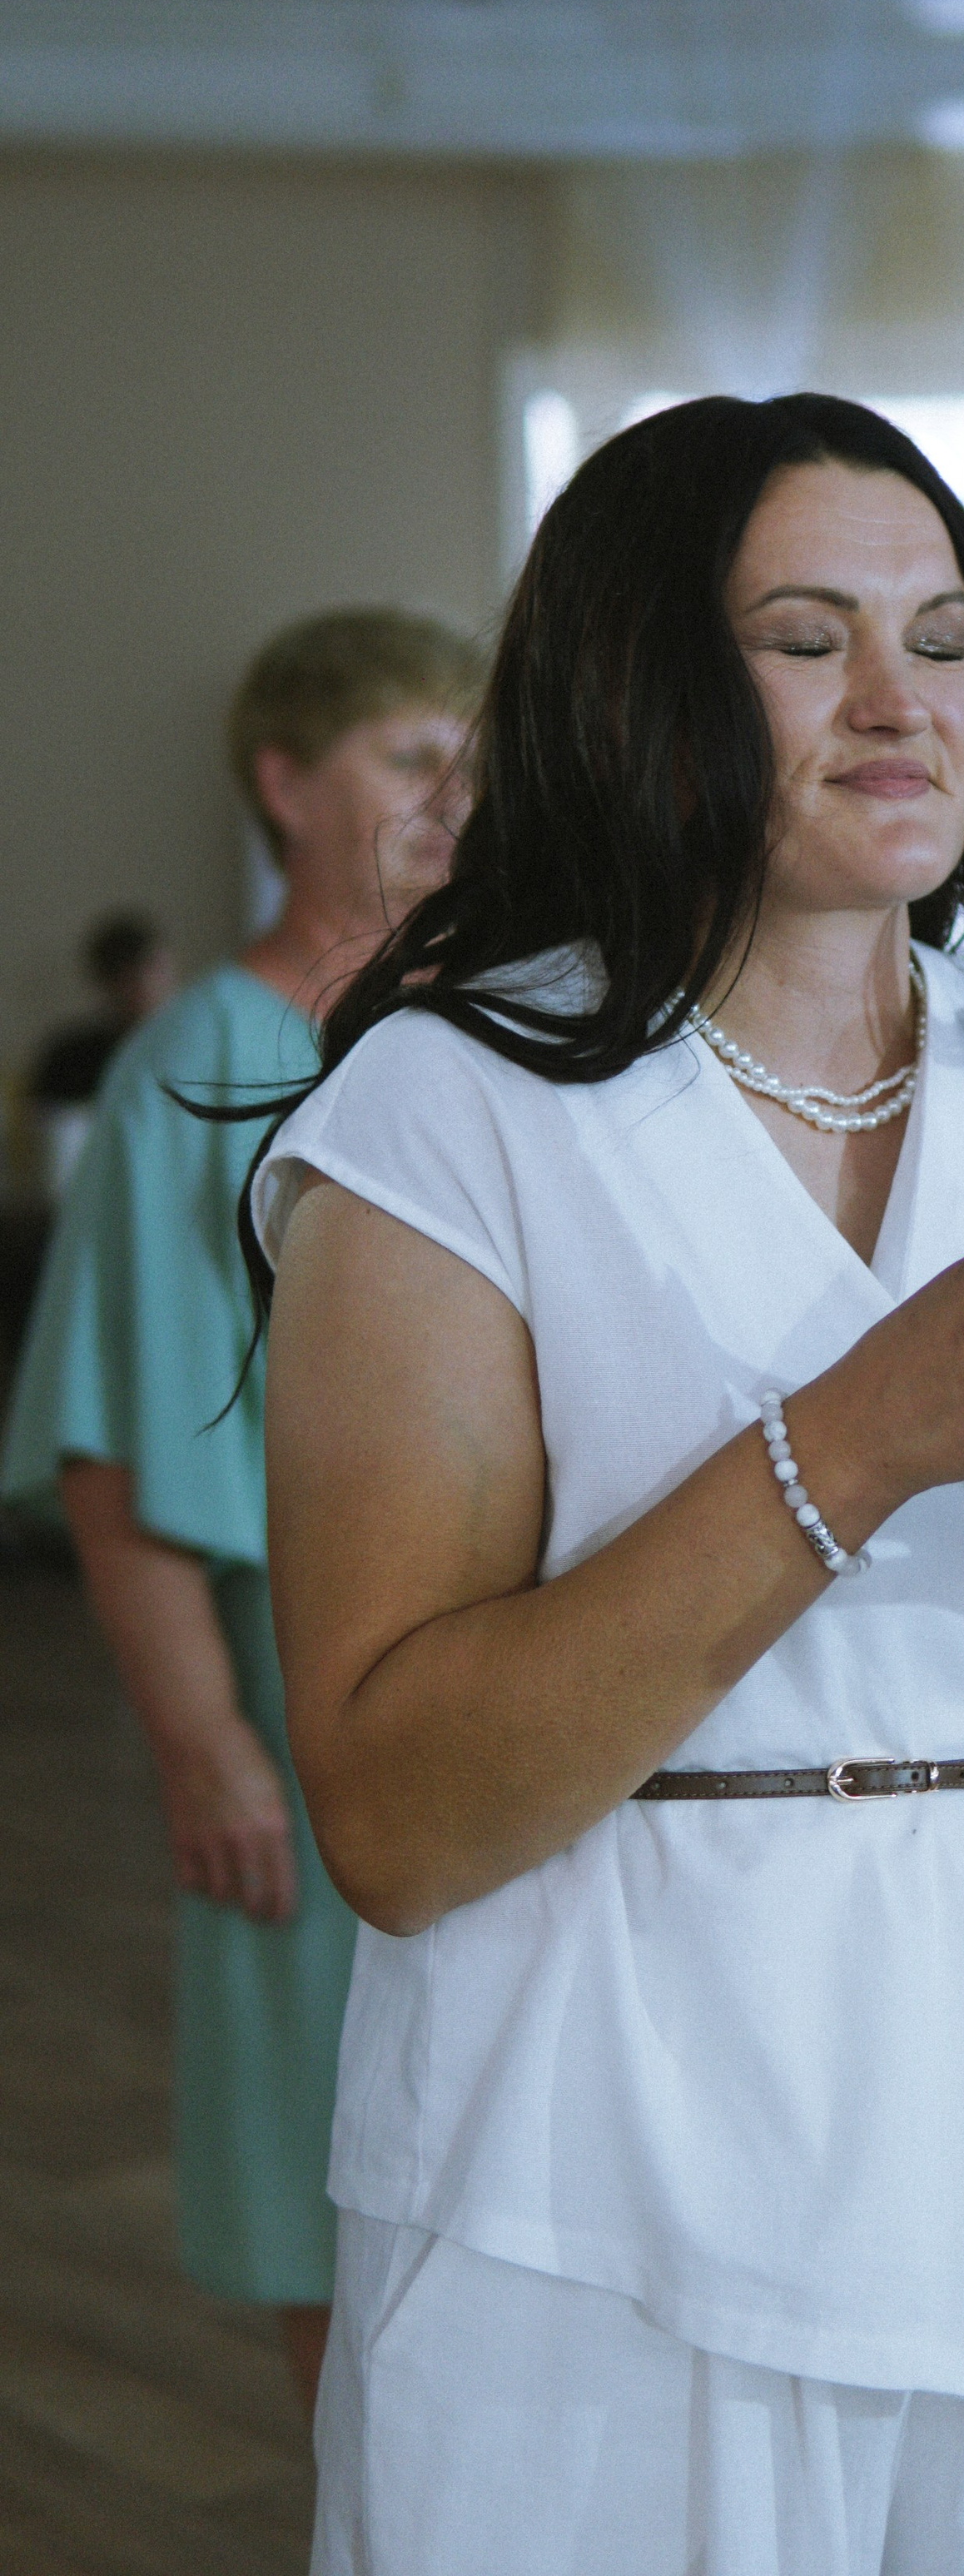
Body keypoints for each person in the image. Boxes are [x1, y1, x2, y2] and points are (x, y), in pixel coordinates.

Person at [251, 399, 964, 2576]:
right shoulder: (452, 1115)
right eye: (809, 641)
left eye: (944, 639)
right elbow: (396, 1821)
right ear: (639, 684)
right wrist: (871, 1433)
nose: (903, 700)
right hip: (603, 2175)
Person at [1, 609, 483, 2412]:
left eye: (469, 762)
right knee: (327, 2174)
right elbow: (112, 1452)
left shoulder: (490, 1034)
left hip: (492, 1680)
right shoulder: (192, 1065)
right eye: (404, 759)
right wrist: (205, 1747)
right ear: (282, 783)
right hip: (298, 1704)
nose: (451, 800)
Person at [25, 908, 179, 1196]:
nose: (145, 986)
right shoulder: (68, 1057)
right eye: (129, 976)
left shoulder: (188, 1051)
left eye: (153, 969)